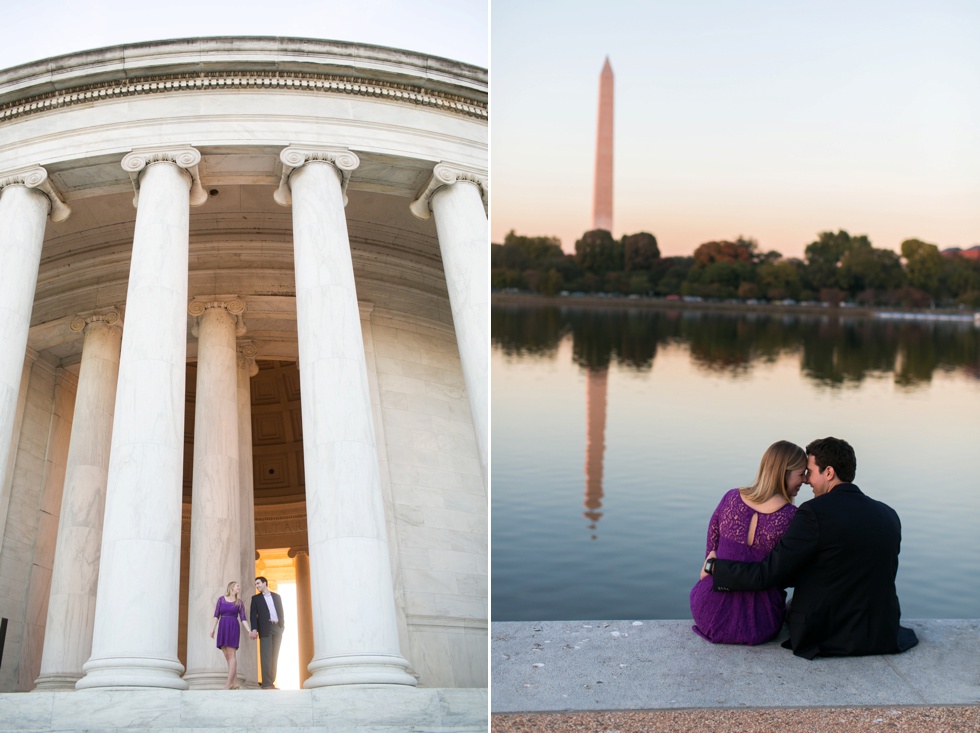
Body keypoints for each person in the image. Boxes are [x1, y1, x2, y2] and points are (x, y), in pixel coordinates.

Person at [703, 437, 919, 659]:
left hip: (828, 635)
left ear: (829, 472)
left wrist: (715, 568)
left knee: (790, 603)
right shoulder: (888, 515)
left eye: (810, 471)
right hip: (882, 632)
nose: (807, 480)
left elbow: (770, 573)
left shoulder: (813, 513)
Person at [689, 440, 806, 645]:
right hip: (761, 622)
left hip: (709, 611)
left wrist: (706, 574)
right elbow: (789, 573)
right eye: (801, 474)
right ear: (784, 473)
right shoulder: (792, 517)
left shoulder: (731, 497)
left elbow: (711, 548)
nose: (804, 480)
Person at [209, 580, 253, 690]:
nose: (239, 588)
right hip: (223, 626)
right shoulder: (221, 599)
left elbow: (243, 618)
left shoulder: (239, 602)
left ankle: (228, 684)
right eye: (237, 586)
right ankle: (235, 682)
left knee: (231, 654)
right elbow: (216, 615)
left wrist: (249, 630)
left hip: (233, 626)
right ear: (232, 587)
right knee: (227, 655)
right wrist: (213, 629)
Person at [249, 576, 285, 689]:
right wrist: (254, 629)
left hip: (277, 628)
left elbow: (281, 612)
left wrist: (281, 626)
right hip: (265, 629)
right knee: (266, 656)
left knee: (275, 655)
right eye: (256, 584)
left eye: (258, 583)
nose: (257, 586)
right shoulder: (256, 599)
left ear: (265, 583)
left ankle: (271, 682)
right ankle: (266, 683)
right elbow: (253, 616)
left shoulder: (277, 597)